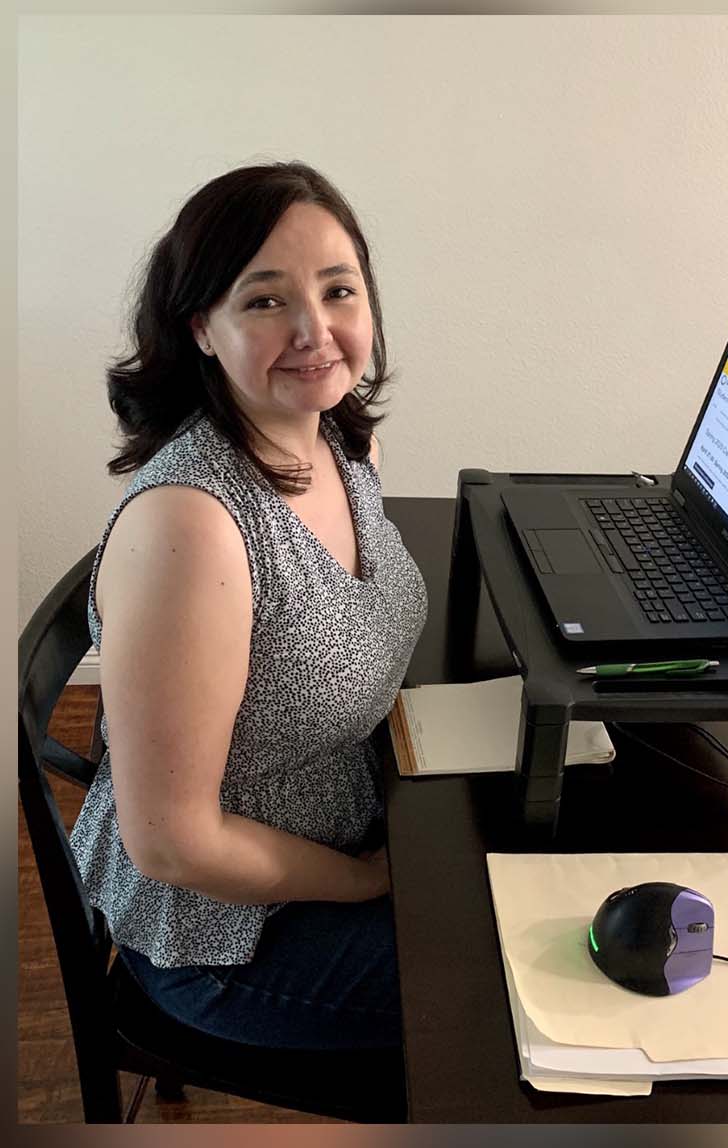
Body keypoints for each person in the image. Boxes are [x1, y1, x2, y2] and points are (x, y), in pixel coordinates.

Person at [68, 162, 427, 1051]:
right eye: (265, 301)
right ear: (201, 327)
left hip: (343, 820)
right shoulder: (192, 528)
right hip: (222, 935)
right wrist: (370, 881)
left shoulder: (345, 446)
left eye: (338, 290)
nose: (316, 330)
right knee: (506, 1008)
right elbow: (173, 845)